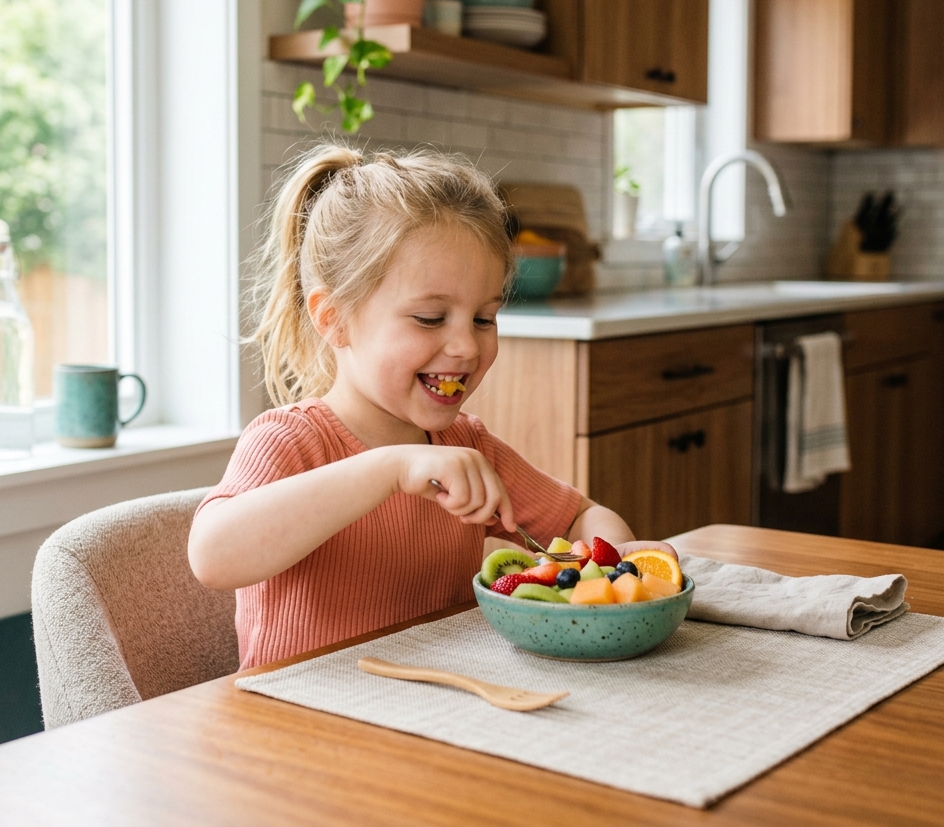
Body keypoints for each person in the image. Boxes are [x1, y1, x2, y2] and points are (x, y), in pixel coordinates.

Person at [188, 144, 674, 670]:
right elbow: (213, 556)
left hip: (437, 708)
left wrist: (618, 566)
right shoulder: (290, 441)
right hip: (302, 725)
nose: (466, 346)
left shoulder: (466, 445)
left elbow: (583, 516)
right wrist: (390, 468)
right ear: (334, 319)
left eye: (484, 319)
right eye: (429, 318)